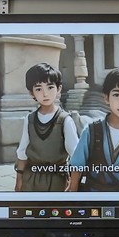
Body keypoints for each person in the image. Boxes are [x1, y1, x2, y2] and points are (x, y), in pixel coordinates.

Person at [14, 62, 79, 192]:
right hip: (31, 179)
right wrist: (19, 179)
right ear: (31, 92)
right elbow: (22, 152)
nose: (45, 94)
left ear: (59, 89)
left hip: (57, 180)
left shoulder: (65, 120)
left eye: (50, 87)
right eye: (38, 89)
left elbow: (76, 156)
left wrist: (73, 184)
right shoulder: (30, 119)